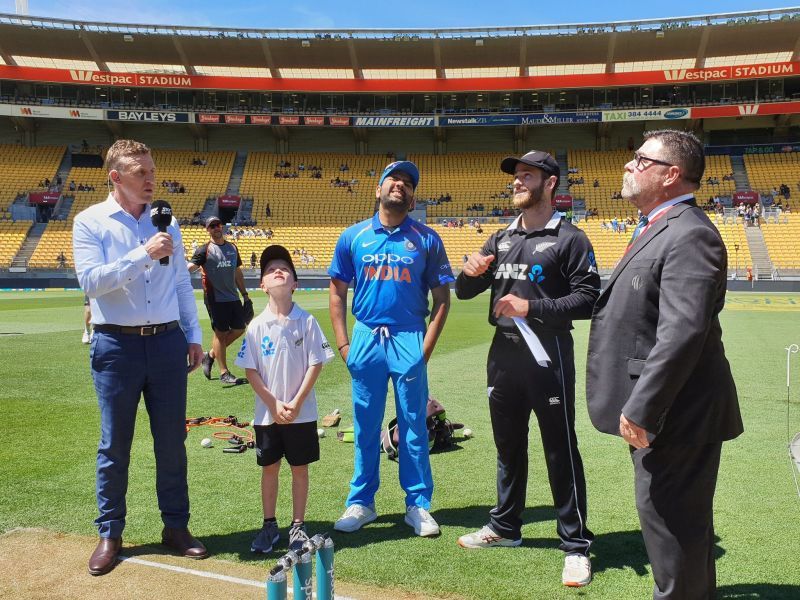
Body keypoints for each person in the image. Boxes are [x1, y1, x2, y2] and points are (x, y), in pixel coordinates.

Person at [586, 130, 743, 600]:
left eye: (641, 159)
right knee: (674, 530)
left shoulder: (689, 232)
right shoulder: (660, 224)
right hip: (667, 411)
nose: (630, 165)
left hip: (676, 415)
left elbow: (682, 332)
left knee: (673, 533)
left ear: (671, 174)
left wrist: (644, 408)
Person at [455, 151, 599, 588]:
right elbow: (464, 292)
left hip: (548, 354)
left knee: (560, 448)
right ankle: (505, 527)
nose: (517, 182)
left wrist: (531, 307)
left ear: (550, 183)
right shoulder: (500, 238)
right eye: (516, 177)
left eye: (526, 176)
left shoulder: (571, 238)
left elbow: (589, 298)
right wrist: (468, 272)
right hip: (502, 355)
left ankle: (575, 546)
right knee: (508, 445)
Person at [72, 139, 207, 577]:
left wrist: (193, 334)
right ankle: (110, 532)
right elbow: (91, 283)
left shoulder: (167, 221)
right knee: (115, 445)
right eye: (141, 173)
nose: (152, 180)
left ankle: (176, 527)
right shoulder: (89, 222)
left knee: (172, 443)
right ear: (116, 177)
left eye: (153, 171)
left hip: (168, 342)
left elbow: (183, 284)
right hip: (116, 346)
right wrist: (142, 254)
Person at [328, 160, 454, 537]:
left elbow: (442, 299)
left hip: (409, 336)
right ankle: (361, 502)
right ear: (378, 190)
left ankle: (417, 505)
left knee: (414, 426)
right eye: (393, 180)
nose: (400, 185)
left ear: (413, 196)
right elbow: (337, 293)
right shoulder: (353, 237)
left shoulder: (427, 238)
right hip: (366, 338)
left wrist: (424, 350)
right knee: (365, 425)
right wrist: (344, 344)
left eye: (407, 183)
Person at [236, 245, 334, 554]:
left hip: (301, 414)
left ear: (295, 283)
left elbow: (315, 364)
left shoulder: (306, 322)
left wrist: (295, 401)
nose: (279, 271)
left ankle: (297, 526)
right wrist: (273, 404)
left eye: (285, 269)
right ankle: (269, 526)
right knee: (269, 468)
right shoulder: (255, 326)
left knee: (300, 468)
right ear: (262, 285)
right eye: (270, 269)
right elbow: (251, 371)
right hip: (267, 415)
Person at [188, 216, 252, 385]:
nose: (216, 228)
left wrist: (245, 295)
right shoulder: (204, 250)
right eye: (212, 226)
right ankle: (224, 372)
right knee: (220, 333)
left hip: (233, 297)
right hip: (214, 298)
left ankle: (209, 356)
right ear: (207, 230)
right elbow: (190, 268)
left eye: (218, 224)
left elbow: (237, 273)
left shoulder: (232, 247)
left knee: (239, 329)